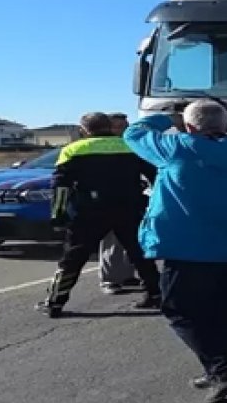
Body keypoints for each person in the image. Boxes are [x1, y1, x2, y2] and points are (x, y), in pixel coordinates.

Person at [124, 101, 227, 403]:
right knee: (221, 313)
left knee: (179, 311)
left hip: (188, 246)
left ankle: (223, 368)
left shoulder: (177, 148)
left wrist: (168, 119)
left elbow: (134, 133)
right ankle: (216, 366)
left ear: (189, 127)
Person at [38, 112, 161, 317]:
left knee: (73, 258)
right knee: (140, 254)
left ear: (83, 130)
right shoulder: (131, 147)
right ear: (109, 127)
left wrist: (57, 215)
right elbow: (155, 177)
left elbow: (61, 187)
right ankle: (155, 295)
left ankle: (55, 302)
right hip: (128, 208)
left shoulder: (73, 150)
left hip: (88, 212)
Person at [96, 112, 142, 294]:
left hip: (131, 198)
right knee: (112, 241)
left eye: (124, 127)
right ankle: (110, 280)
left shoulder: (131, 146)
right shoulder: (100, 147)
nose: (121, 130)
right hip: (107, 201)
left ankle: (127, 275)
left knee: (132, 240)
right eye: (117, 127)